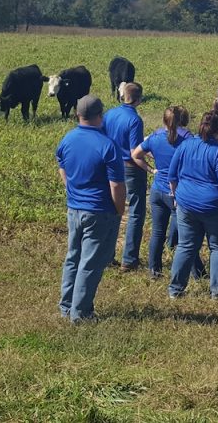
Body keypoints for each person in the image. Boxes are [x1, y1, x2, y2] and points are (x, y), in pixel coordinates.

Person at [56, 95, 126, 323]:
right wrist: (119, 210)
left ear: (78, 114)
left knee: (73, 257)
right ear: (100, 116)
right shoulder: (108, 146)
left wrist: (71, 188)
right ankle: (82, 312)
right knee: (90, 263)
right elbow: (116, 185)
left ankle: (66, 305)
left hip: (74, 208)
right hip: (99, 210)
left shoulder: (68, 138)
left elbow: (61, 166)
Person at [167, 111, 218, 299]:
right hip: (214, 207)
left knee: (186, 246)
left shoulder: (185, 145)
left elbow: (172, 176)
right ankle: (217, 291)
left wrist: (176, 196)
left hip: (186, 203)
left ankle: (175, 290)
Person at [133, 105, 194, 278]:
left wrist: (151, 170)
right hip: (177, 192)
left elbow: (136, 154)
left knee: (157, 232)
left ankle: (154, 270)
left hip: (157, 190)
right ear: (184, 121)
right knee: (186, 235)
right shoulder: (188, 139)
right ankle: (192, 271)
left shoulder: (155, 137)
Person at [102, 82, 146, 271]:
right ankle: (129, 258)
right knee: (136, 211)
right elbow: (134, 149)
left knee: (113, 210)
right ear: (139, 99)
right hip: (130, 168)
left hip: (110, 166)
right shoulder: (135, 120)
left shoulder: (109, 114)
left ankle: (106, 256)